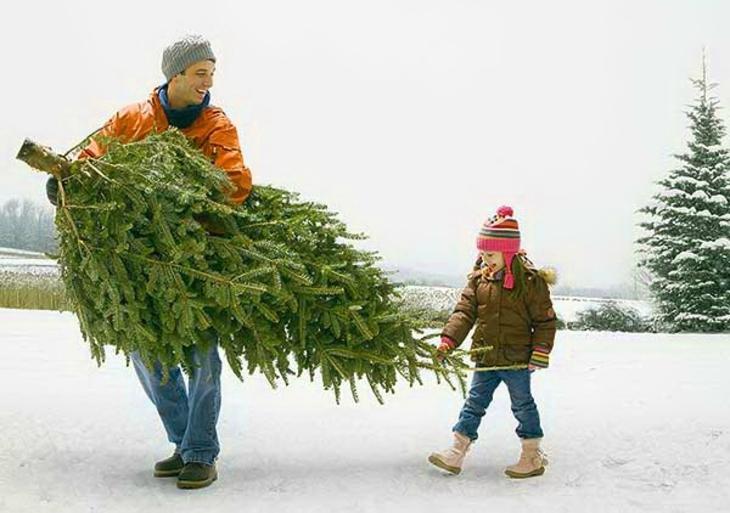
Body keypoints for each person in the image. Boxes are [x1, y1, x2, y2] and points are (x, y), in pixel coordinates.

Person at [46, 34, 252, 490]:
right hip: (137, 262)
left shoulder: (216, 124)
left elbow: (234, 182)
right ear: (174, 74)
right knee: (146, 352)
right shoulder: (132, 119)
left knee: (202, 356)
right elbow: (90, 160)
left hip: (195, 260)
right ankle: (183, 443)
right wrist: (66, 185)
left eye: (212, 74)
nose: (208, 82)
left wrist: (182, 208)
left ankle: (201, 451)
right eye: (201, 73)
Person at [428, 206, 557, 479]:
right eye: (483, 254)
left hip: (516, 359)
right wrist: (448, 341)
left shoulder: (530, 282)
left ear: (507, 252)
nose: (485, 260)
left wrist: (540, 352)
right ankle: (456, 451)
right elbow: (463, 314)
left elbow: (545, 321)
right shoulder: (478, 281)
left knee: (523, 405)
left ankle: (531, 455)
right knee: (474, 402)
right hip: (486, 356)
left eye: (490, 254)